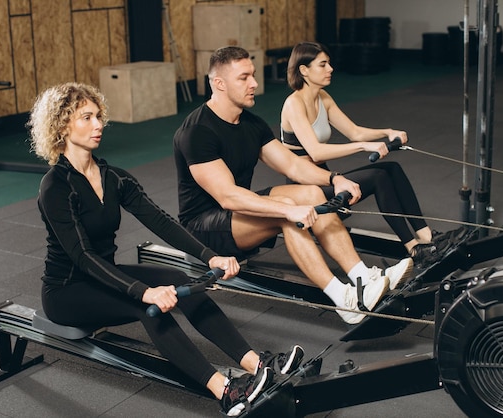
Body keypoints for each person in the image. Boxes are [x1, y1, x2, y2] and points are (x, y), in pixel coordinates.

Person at [27, 82, 304, 416]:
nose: (98, 124)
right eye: (86, 118)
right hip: (67, 290)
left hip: (106, 275)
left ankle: (257, 364)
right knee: (145, 307)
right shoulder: (56, 186)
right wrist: (143, 292)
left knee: (176, 280)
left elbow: (160, 221)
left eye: (98, 115)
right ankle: (225, 391)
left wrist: (209, 256)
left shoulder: (113, 177)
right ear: (61, 126)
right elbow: (82, 256)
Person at [173, 46, 413, 326]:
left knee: (310, 194)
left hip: (239, 213)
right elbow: (227, 196)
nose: (254, 83)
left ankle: (362, 276)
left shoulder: (251, 123)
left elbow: (292, 165)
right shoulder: (197, 131)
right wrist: (287, 211)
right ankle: (344, 299)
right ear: (219, 84)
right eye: (244, 77)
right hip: (204, 228)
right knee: (288, 210)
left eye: (253, 75)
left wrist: (335, 179)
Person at [280, 42, 468, 267]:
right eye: (323, 64)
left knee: (392, 169)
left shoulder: (323, 98)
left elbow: (354, 131)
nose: (330, 68)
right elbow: (316, 151)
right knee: (378, 177)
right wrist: (364, 146)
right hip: (306, 189)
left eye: (329, 63)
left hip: (327, 179)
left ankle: (427, 236)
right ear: (304, 70)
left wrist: (387, 132)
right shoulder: (294, 104)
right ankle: (414, 249)